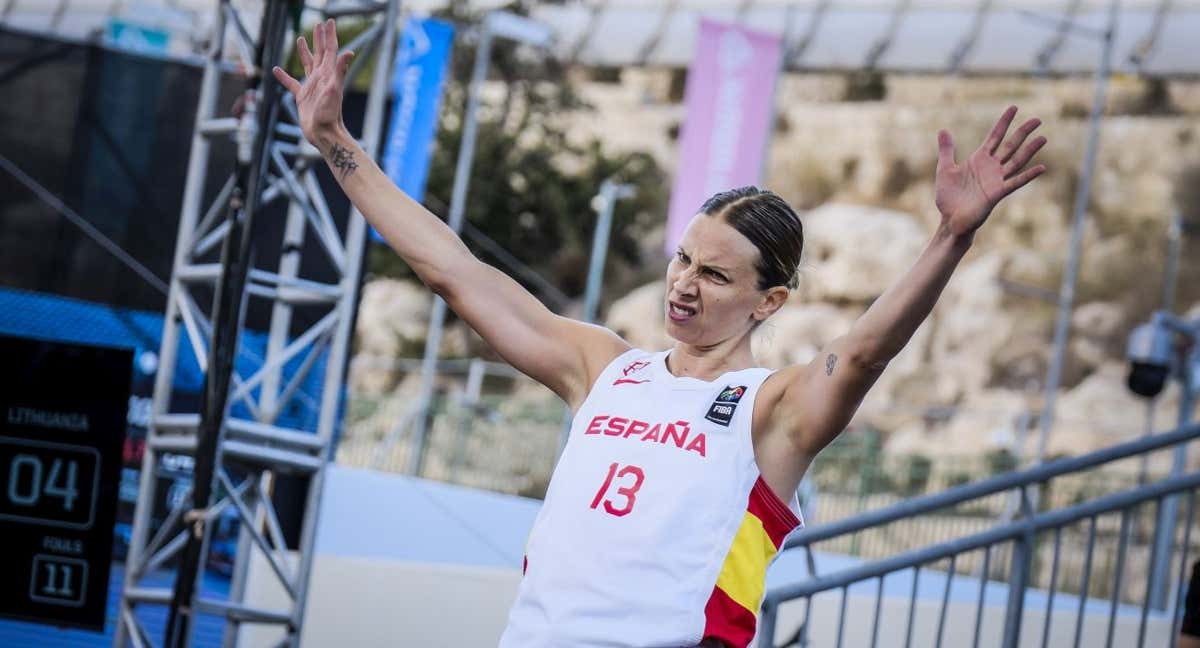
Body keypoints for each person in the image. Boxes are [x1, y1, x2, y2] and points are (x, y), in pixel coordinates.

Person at [274, 18, 1047, 648]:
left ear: (768, 301)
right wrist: (337, 144)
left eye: (714, 275)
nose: (683, 282)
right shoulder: (604, 364)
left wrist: (950, 237)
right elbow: (452, 269)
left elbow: (867, 350)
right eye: (684, 258)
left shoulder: (772, 410)